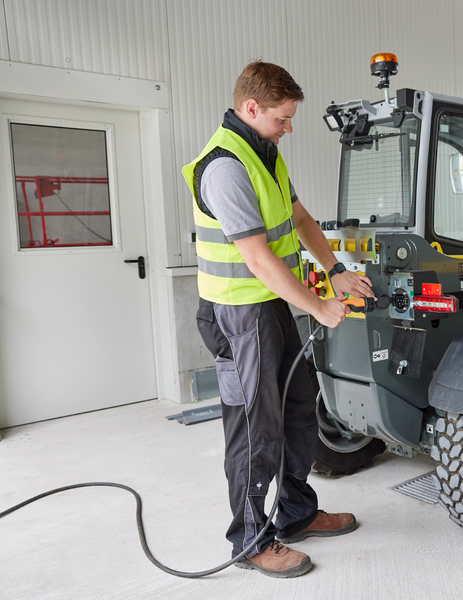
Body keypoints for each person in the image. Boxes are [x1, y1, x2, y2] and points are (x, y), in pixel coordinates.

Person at [182, 60, 374, 578]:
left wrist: (333, 270)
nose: (289, 128)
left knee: (297, 411)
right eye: (282, 118)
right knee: (254, 427)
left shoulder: (265, 155)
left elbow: (302, 220)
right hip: (240, 314)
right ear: (252, 109)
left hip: (271, 306)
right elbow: (258, 258)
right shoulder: (225, 166)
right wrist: (319, 307)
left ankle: (296, 513)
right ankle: (249, 540)